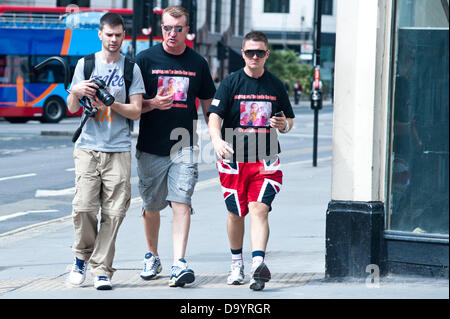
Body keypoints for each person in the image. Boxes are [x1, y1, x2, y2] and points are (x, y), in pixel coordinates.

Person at [135, 5, 216, 287]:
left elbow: (209, 106)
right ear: (162, 29)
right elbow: (132, 106)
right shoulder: (144, 60)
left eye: (178, 29)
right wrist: (151, 103)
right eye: (167, 28)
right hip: (149, 145)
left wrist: (217, 138)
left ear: (186, 30)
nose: (172, 34)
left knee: (181, 201)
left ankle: (179, 262)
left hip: (183, 143)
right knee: (151, 205)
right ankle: (152, 255)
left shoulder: (198, 63)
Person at [207, 31, 295, 291]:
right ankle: (237, 262)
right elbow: (215, 116)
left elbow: (288, 120)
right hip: (234, 158)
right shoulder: (231, 83)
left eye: (260, 52)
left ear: (267, 54)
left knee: (259, 208)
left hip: (266, 158)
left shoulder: (275, 85)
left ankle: (258, 265)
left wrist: (284, 125)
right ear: (243, 54)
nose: (254, 57)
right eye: (249, 52)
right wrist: (216, 141)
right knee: (236, 213)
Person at [66, 12, 145, 290]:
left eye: (118, 35)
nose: (113, 40)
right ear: (100, 34)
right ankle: (80, 258)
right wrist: (76, 91)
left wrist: (110, 103)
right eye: (109, 34)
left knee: (114, 212)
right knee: (84, 207)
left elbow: (135, 111)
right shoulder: (85, 64)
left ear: (123, 36)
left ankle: (102, 269)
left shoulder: (130, 69)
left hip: (118, 148)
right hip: (88, 146)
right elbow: (72, 108)